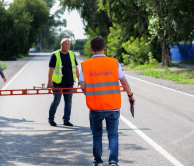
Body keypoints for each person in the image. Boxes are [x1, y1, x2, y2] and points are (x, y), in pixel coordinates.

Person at [79, 36, 135, 166]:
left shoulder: (86, 65)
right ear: (104, 47)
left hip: (95, 107)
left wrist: (90, 94)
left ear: (91, 49)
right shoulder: (114, 62)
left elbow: (82, 86)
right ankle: (113, 162)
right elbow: (124, 82)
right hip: (113, 106)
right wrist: (130, 95)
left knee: (97, 135)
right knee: (113, 135)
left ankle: (98, 162)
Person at [47, 38, 80, 126]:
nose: (67, 45)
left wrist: (79, 79)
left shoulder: (72, 54)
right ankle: (51, 119)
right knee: (56, 101)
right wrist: (49, 82)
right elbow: (51, 69)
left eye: (68, 44)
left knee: (68, 102)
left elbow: (76, 68)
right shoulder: (55, 55)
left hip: (69, 83)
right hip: (57, 83)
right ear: (61, 44)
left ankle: (66, 120)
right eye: (65, 44)